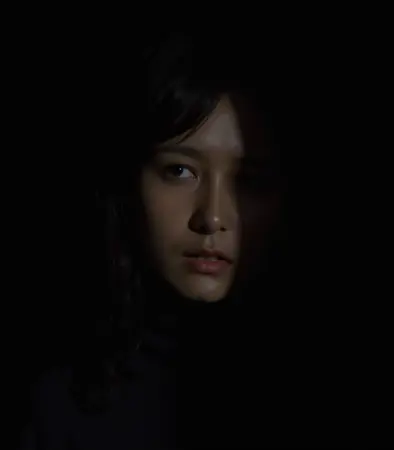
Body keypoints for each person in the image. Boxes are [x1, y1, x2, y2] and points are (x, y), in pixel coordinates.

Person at [19, 31, 289, 449]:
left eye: (247, 180)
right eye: (180, 171)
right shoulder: (56, 404)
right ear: (129, 182)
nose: (213, 216)